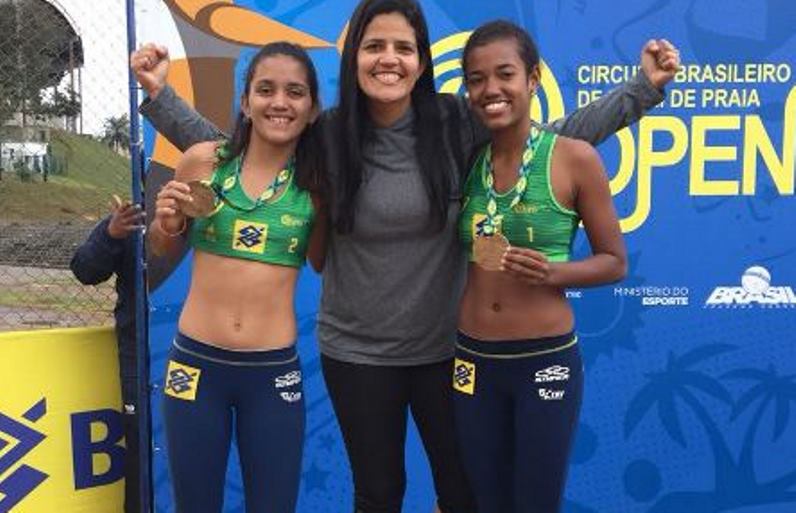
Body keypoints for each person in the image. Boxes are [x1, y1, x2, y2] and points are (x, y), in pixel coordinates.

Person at [130, 2, 679, 511]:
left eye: (403, 47)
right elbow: (244, 156)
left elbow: (550, 142)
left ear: (420, 62)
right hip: (356, 352)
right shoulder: (329, 134)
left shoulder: (453, 124)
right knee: (379, 494)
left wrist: (641, 90)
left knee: (462, 494)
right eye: (374, 46)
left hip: (446, 351)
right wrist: (161, 98)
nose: (388, 59)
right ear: (355, 59)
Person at [453, 20, 657, 513]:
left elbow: (615, 263)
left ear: (532, 79)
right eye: (477, 80)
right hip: (472, 361)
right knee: (483, 501)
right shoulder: (465, 158)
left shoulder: (573, 158)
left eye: (504, 74)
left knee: (536, 502)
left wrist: (553, 273)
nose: (491, 90)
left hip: (543, 360)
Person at [147, 41, 325, 513]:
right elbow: (160, 248)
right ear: (245, 102)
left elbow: (325, 263)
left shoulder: (318, 183)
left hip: (272, 375)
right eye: (265, 90)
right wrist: (165, 226)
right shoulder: (204, 162)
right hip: (195, 367)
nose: (279, 102)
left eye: (294, 92)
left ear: (311, 108)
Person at [70, 194, 145, 513]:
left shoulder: (210, 209)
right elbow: (85, 270)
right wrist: (110, 234)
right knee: (140, 445)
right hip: (138, 354)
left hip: (199, 348)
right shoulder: (132, 216)